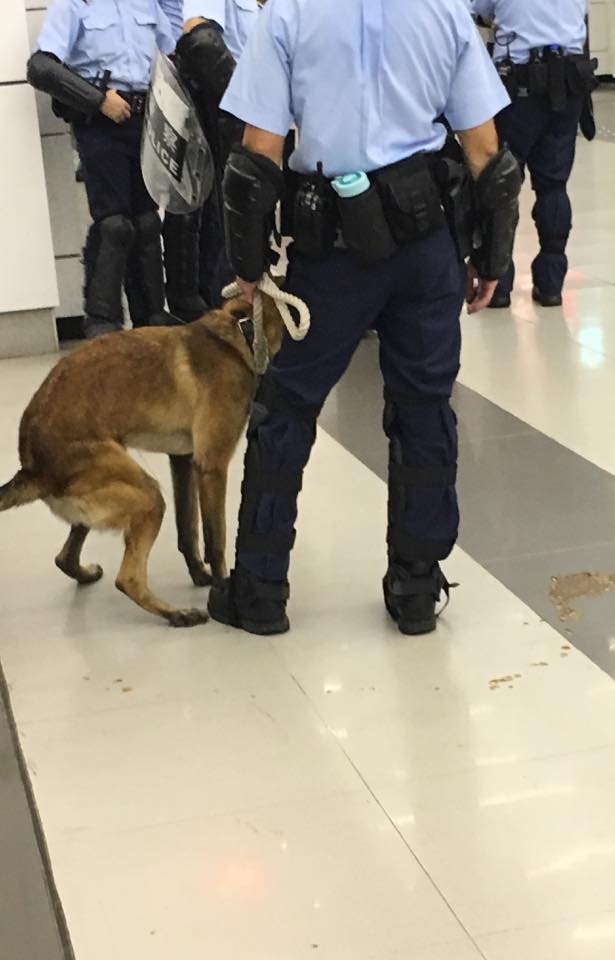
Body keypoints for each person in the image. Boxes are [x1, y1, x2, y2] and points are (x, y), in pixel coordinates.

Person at [207, 0, 521, 637]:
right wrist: (493, 257)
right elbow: (486, 149)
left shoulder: (289, 13)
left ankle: (260, 592)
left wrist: (247, 263)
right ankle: (415, 587)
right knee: (425, 404)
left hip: (333, 253)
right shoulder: (444, 10)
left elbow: (257, 153)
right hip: (428, 242)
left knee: (288, 406)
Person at [27, 0, 179, 338]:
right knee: (114, 224)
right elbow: (41, 67)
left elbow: (174, 53)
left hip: (145, 120)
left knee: (147, 221)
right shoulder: (74, 4)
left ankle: (152, 321)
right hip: (99, 123)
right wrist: (97, 99)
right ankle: (102, 325)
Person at [471, 0, 596, 308]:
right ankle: (551, 284)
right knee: (554, 186)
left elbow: (479, 11)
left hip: (518, 89)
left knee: (501, 187)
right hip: (569, 86)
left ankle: (498, 284)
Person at [160, 0, 259, 321]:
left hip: (264, 119)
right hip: (232, 118)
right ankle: (225, 315)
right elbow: (199, 40)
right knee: (229, 217)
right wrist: (245, 105)